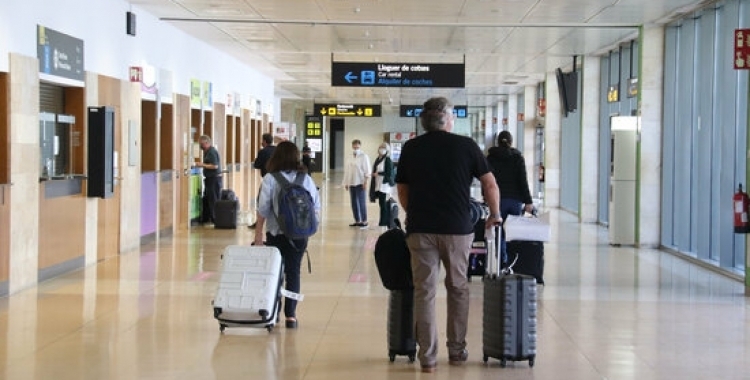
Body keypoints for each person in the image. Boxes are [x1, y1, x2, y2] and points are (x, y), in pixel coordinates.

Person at [395, 97, 500, 373]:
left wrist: (413, 212)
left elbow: (402, 190)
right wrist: (494, 214)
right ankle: (456, 350)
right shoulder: (465, 145)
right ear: (448, 119)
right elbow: (489, 183)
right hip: (457, 229)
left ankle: (427, 358)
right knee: (458, 288)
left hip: (420, 230)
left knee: (424, 291)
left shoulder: (411, 147)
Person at [252, 141, 321, 329]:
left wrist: (258, 235)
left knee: (275, 273)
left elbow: (262, 210)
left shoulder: (270, 179)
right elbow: (315, 206)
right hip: (299, 236)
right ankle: (291, 315)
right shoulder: (305, 178)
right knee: (293, 272)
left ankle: (274, 312)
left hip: (276, 234)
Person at [486, 130, 534, 265]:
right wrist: (528, 202)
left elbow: (487, 181)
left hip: (497, 200)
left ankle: (501, 260)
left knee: (498, 231)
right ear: (511, 142)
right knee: (512, 233)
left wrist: (486, 198)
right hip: (515, 201)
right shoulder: (518, 158)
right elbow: (523, 181)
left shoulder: (491, 158)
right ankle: (512, 262)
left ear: (498, 142)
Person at [249, 133, 276, 229]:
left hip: (267, 179)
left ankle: (258, 223)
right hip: (279, 179)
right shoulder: (277, 150)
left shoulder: (263, 151)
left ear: (264, 141)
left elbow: (256, 165)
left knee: (261, 200)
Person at [342, 139, 371, 228]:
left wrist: (365, 182)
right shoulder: (350, 156)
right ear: (352, 146)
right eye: (354, 146)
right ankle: (357, 220)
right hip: (351, 183)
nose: (355, 148)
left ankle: (364, 220)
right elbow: (347, 170)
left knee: (361, 202)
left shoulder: (364, 156)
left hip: (360, 182)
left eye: (357, 146)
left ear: (360, 146)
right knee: (353, 202)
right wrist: (346, 182)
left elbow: (367, 170)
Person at [195, 135, 222, 226]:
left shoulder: (212, 152)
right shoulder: (207, 152)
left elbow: (215, 166)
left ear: (207, 143)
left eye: (201, 144)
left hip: (214, 179)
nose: (200, 146)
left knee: (213, 199)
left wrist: (202, 165)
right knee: (209, 198)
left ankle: (216, 220)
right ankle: (209, 218)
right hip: (210, 179)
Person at [369, 142, 395, 229]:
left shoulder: (387, 159)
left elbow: (389, 173)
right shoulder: (378, 159)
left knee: (383, 204)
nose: (381, 149)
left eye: (384, 148)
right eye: (380, 147)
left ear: (387, 150)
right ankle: (383, 221)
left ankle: (383, 222)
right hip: (378, 184)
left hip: (384, 185)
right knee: (381, 203)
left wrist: (378, 173)